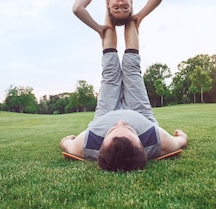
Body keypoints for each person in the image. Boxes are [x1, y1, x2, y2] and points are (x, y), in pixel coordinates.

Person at [59, 16, 188, 171]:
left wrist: (67, 140)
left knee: (110, 72)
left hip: (105, 114)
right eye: (129, 128)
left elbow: (66, 144)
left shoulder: (86, 145)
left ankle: (109, 3)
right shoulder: (159, 141)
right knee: (132, 69)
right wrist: (181, 135)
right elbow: (181, 141)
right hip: (141, 114)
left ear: (101, 145)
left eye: (112, 129)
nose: (120, 122)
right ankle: (129, 4)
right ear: (142, 144)